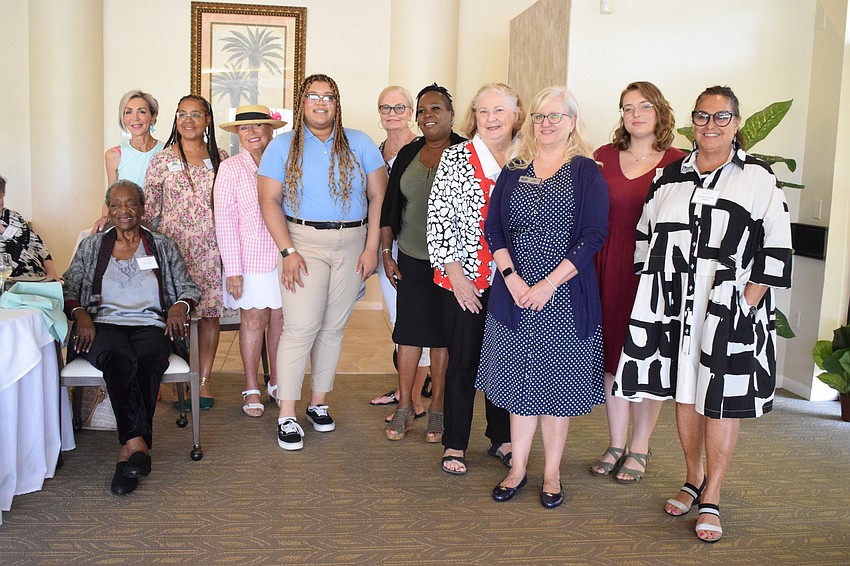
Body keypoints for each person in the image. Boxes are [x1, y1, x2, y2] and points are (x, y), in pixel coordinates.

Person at [614, 85, 792, 542]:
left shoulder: (758, 177)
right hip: (673, 308)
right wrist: (651, 290)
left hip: (728, 309)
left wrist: (749, 300)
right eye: (703, 116)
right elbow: (643, 234)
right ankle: (692, 478)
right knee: (686, 396)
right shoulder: (670, 175)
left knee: (721, 401)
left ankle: (712, 494)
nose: (710, 125)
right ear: (693, 120)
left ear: (736, 122)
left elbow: (776, 245)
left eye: (721, 117)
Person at [476, 87, 608, 509]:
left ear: (572, 122)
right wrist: (512, 278)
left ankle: (551, 472)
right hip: (513, 295)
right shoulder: (515, 170)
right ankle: (517, 468)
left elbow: (593, 237)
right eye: (539, 116)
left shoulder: (587, 171)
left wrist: (549, 283)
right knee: (518, 385)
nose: (546, 123)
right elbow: (493, 228)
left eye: (556, 116)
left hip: (565, 296)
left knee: (556, 389)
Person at [257, 73, 387, 451]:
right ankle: (286, 414)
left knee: (333, 329)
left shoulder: (360, 143)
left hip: (352, 244)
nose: (320, 102)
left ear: (337, 103)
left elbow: (378, 197)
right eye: (313, 96)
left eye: (328, 96)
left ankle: (318, 403)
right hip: (303, 243)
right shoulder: (282, 147)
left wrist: (370, 248)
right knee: (300, 328)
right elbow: (269, 201)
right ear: (301, 103)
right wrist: (287, 252)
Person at [63, 180, 201, 495]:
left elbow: (188, 287)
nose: (123, 211)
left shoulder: (162, 245)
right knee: (120, 357)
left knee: (150, 357)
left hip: (152, 324)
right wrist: (81, 315)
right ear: (108, 210)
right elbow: (69, 286)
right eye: (116, 205)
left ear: (142, 208)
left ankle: (128, 451)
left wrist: (179, 306)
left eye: (130, 204)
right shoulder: (92, 245)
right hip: (103, 324)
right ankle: (138, 445)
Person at [589, 82, 686, 483]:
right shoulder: (602, 157)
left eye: (644, 106)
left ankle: (640, 446)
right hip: (607, 263)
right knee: (612, 357)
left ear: (660, 110)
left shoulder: (681, 161)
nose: (636, 114)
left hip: (653, 271)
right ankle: (615, 442)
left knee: (646, 357)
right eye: (628, 108)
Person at [427, 83, 523, 475]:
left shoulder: (529, 159)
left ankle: (500, 437)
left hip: (515, 281)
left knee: (504, 361)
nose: (491, 119)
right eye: (484, 111)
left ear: (516, 115)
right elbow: (439, 220)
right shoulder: (455, 158)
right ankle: (455, 442)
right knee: (463, 361)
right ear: (474, 117)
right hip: (464, 279)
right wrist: (457, 276)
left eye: (500, 110)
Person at [380, 83, 464, 442]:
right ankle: (404, 408)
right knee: (408, 334)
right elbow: (389, 206)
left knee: (443, 338)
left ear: (450, 113)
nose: (429, 116)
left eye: (436, 109)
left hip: (453, 266)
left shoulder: (466, 151)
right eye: (423, 111)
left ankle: (438, 410)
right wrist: (387, 252)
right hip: (411, 258)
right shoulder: (409, 153)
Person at [144, 94, 228, 409]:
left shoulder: (220, 158)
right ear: (175, 120)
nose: (188, 120)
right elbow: (148, 213)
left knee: (208, 316)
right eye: (182, 114)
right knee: (173, 316)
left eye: (196, 114)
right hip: (173, 253)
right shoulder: (162, 159)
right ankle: (177, 380)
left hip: (211, 250)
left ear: (207, 120)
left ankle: (203, 382)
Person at [214, 105, 287, 417]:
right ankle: (251, 385)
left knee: (282, 322)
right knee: (254, 320)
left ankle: (278, 381)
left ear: (271, 130)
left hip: (285, 257)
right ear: (238, 135)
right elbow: (225, 221)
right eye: (245, 128)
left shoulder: (286, 163)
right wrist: (233, 269)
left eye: (259, 126)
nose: (253, 132)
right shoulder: (230, 169)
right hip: (249, 260)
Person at [369, 85, 430, 422]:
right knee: (398, 320)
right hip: (384, 246)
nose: (392, 113)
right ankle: (403, 389)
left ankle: (415, 400)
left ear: (411, 113)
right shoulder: (375, 151)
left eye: (399, 107)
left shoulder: (422, 149)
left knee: (410, 321)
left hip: (413, 249)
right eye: (385, 108)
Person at [93, 90, 164, 232]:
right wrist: (104, 220)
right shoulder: (114, 155)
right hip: (126, 227)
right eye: (128, 112)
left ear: (153, 116)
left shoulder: (167, 152)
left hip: (160, 229)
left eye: (142, 112)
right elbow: (111, 196)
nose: (135, 118)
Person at [0, 175, 59, 279]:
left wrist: (52, 274)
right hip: (10, 282)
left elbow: (39, 246)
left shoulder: (14, 217)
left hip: (36, 279)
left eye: (0, 197)